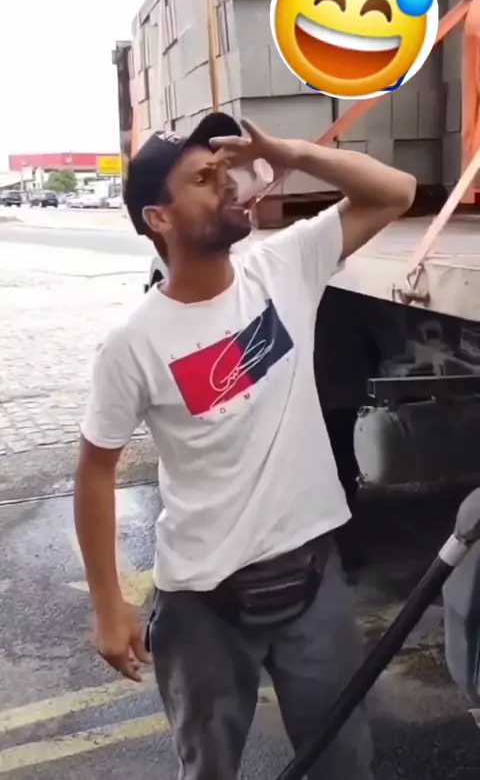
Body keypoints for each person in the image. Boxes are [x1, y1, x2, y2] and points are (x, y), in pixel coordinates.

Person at [74, 112, 416, 780]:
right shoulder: (132, 344)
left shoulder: (283, 266)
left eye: (225, 170)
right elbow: (95, 470)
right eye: (204, 179)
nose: (228, 183)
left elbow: (395, 192)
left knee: (344, 762)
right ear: (160, 218)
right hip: (204, 604)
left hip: (313, 579)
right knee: (208, 769)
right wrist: (108, 603)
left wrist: (288, 150)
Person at [314, 286, 381, 580]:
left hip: (322, 391)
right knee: (342, 469)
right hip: (342, 390)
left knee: (331, 470)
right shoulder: (347, 290)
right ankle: (345, 551)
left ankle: (340, 551)